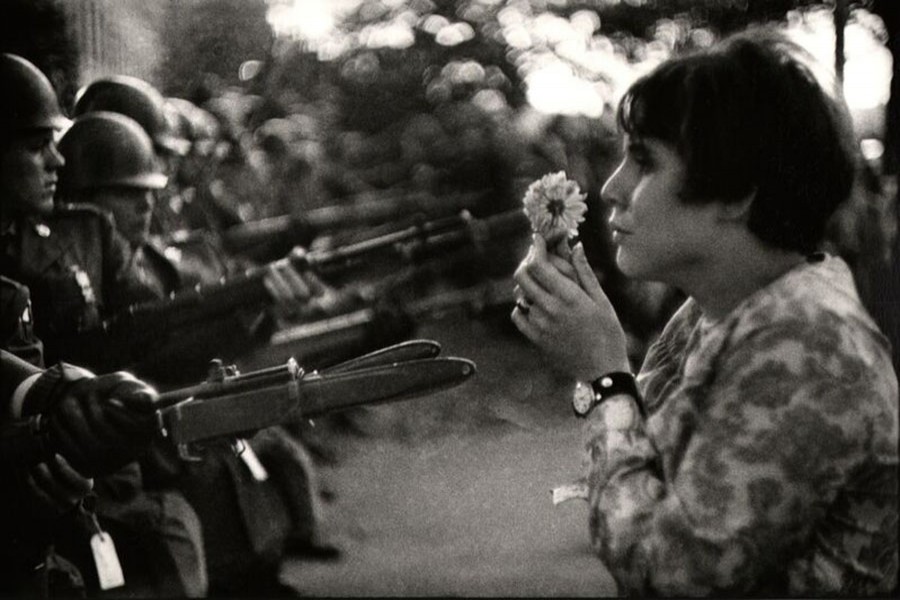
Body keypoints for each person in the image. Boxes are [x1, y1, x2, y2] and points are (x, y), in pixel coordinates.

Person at [512, 28, 898, 596]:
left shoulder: (807, 341)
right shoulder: (717, 310)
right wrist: (595, 357)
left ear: (739, 191)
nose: (613, 188)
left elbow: (671, 573)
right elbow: (642, 464)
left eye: (644, 161)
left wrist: (601, 376)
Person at [1, 51, 208, 597]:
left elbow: (147, 320)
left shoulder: (66, 239)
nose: (57, 162)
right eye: (34, 145)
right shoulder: (32, 254)